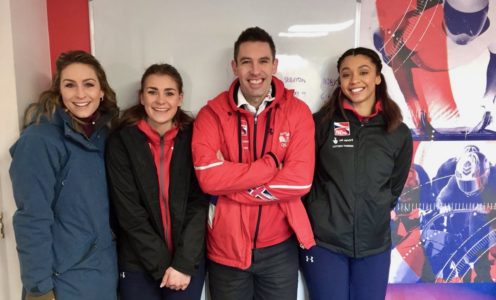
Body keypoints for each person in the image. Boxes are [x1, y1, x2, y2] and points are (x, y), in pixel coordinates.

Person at [191, 26, 316, 300]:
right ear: (234, 67)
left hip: (279, 248)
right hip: (226, 249)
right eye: (246, 62)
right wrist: (271, 166)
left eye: (263, 61)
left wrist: (232, 185)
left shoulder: (297, 112)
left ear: (275, 65)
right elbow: (208, 179)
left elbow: (301, 181)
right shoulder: (211, 114)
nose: (255, 71)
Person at [301, 47, 413, 300]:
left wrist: (374, 208)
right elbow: (305, 181)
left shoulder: (397, 132)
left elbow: (394, 187)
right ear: (339, 81)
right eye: (346, 74)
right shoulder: (320, 124)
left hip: (374, 245)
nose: (354, 81)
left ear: (377, 77)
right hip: (325, 244)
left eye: (363, 72)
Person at [9, 50, 119, 300]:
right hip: (64, 281)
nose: (80, 94)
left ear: (101, 91)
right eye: (70, 85)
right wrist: (39, 289)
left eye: (88, 84)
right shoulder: (39, 141)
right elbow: (31, 218)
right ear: (59, 91)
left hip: (103, 274)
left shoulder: (106, 136)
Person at [106, 63, 208, 300]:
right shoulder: (121, 142)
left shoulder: (195, 137)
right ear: (142, 97)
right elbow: (129, 212)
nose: (160, 100)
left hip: (186, 261)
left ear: (180, 98)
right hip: (137, 262)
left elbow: (199, 205)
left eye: (169, 93)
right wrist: (164, 267)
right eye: (152, 91)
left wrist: (182, 264)